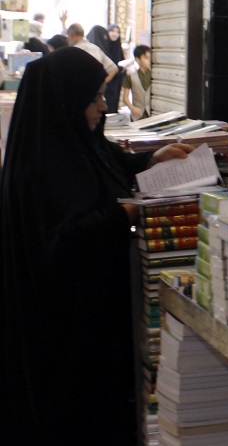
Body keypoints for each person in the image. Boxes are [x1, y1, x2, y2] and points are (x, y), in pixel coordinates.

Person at [0, 47, 194, 442]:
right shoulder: (41, 166)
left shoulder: (77, 141)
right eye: (94, 99)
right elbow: (65, 242)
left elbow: (109, 168)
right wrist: (126, 215)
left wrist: (151, 161)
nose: (102, 108)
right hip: (63, 333)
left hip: (94, 321)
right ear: (67, 101)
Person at [88, 24, 126, 111]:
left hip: (115, 84)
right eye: (112, 31)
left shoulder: (118, 48)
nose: (115, 34)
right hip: (106, 83)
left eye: (117, 32)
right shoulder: (102, 48)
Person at [123, 44, 153, 121]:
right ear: (137, 59)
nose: (149, 61)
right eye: (146, 58)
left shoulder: (155, 76)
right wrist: (132, 108)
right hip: (136, 116)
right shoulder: (130, 76)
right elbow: (125, 97)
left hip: (152, 115)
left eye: (150, 58)